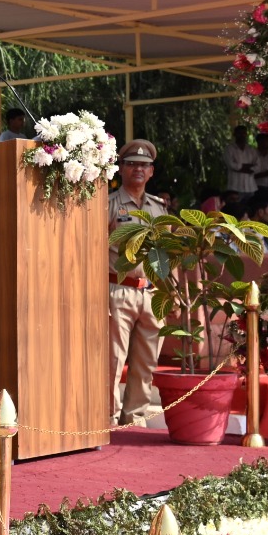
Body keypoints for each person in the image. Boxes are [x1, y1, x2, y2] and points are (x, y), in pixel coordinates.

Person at [108, 140, 166, 425]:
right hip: (118, 291)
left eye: (143, 165)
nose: (138, 169)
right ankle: (105, 417)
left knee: (146, 362)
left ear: (151, 171)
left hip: (152, 294)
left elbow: (168, 252)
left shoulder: (158, 208)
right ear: (121, 168)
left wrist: (171, 294)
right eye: (132, 164)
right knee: (112, 361)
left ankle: (135, 418)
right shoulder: (109, 204)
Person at [224, 125, 258, 200]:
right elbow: (231, 165)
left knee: (249, 210)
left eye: (243, 133)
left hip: (250, 187)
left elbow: (258, 165)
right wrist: (247, 167)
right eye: (239, 133)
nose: (241, 135)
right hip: (235, 187)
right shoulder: (229, 149)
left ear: (246, 134)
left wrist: (240, 168)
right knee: (236, 210)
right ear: (234, 134)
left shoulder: (251, 150)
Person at [253, 130, 268, 209]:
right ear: (259, 142)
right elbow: (250, 175)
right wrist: (266, 173)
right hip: (257, 189)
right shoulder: (252, 154)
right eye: (266, 141)